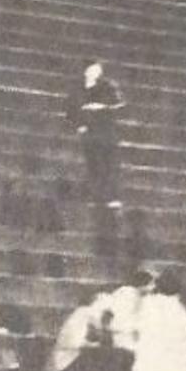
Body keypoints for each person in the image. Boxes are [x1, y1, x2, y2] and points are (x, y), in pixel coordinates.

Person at [66, 60, 126, 245]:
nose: (94, 73)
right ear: (85, 70)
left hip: (104, 129)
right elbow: (70, 110)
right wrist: (80, 124)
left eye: (97, 70)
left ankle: (112, 197)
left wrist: (101, 107)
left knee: (109, 163)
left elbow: (119, 104)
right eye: (91, 69)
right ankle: (99, 196)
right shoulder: (77, 88)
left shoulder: (107, 86)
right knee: (95, 165)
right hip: (89, 131)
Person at [51, 286, 133, 371]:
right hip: (69, 362)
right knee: (113, 355)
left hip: (80, 358)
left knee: (121, 354)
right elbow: (73, 342)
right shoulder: (82, 314)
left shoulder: (95, 320)